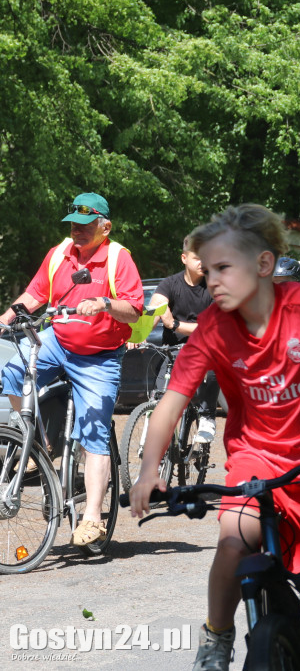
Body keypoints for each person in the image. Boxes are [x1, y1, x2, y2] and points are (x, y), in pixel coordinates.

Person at [129, 204, 300, 671]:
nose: (212, 280)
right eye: (208, 270)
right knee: (233, 540)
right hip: (258, 460)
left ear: (264, 265)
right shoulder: (211, 327)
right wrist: (148, 470)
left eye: (224, 268)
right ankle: (217, 635)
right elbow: (172, 403)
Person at [1, 192, 143, 547]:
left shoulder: (117, 258)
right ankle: (39, 447)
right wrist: (5, 318)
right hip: (57, 341)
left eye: (85, 225)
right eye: (73, 225)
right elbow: (34, 295)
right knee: (12, 372)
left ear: (104, 226)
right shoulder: (59, 253)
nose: (77, 231)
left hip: (99, 356)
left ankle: (92, 517)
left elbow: (135, 309)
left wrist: (105, 303)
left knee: (93, 430)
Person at [150, 236, 221, 444]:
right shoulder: (170, 284)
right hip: (173, 351)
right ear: (184, 258)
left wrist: (175, 325)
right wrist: (139, 334)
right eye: (198, 257)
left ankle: (207, 417)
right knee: (158, 398)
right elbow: (156, 309)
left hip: (204, 350)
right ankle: (150, 438)